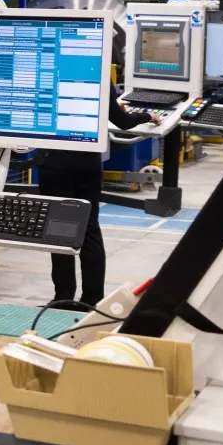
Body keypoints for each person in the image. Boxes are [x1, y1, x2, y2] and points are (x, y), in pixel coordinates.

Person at [35, 23, 146, 305]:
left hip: (55, 160)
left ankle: (62, 298)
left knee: (58, 230)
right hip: (87, 160)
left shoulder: (43, 69)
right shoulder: (94, 69)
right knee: (89, 229)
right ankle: (91, 299)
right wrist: (147, 117)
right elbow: (121, 121)